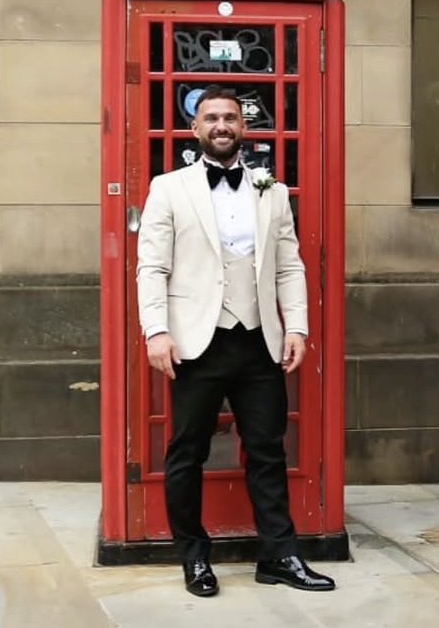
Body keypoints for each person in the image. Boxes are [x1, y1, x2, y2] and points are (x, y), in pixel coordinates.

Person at [136, 84, 336, 597]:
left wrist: (297, 327)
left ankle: (279, 555)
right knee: (187, 452)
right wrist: (156, 330)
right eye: (211, 118)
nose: (221, 126)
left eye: (230, 117)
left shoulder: (272, 191)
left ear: (243, 127)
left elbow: (290, 266)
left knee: (267, 450)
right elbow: (151, 266)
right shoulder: (169, 188)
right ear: (195, 128)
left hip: (258, 340)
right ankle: (194, 558)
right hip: (195, 342)